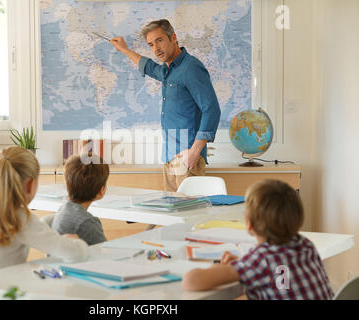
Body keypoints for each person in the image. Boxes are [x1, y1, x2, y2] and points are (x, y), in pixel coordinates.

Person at [110, 19, 221, 191]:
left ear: (173, 37)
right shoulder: (168, 70)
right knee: (173, 215)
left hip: (187, 158)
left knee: (189, 215)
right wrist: (124, 49)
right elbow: (148, 66)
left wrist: (194, 152)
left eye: (159, 40)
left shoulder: (191, 68)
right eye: (151, 44)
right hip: (170, 157)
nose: (156, 49)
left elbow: (211, 109)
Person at [182, 179, 334, 300]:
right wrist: (242, 263)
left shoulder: (260, 260)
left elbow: (190, 281)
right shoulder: (305, 245)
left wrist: (218, 269)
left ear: (249, 225)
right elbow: (280, 269)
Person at [0, 146, 88, 271]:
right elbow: (76, 254)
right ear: (30, 185)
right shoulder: (20, 219)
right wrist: (74, 243)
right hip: (4, 290)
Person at [51, 154, 109, 245]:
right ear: (101, 191)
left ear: (67, 185)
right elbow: (105, 252)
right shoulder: (87, 223)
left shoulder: (62, 210)